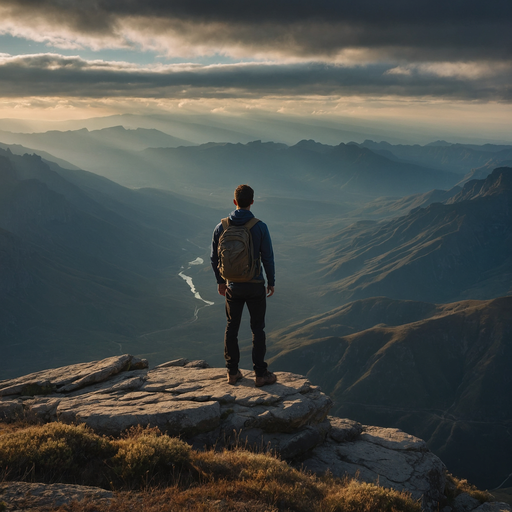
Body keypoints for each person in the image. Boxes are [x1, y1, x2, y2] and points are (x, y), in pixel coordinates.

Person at [211, 184, 277, 387]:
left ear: (234, 201)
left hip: (232, 286)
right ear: (252, 202)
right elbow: (267, 257)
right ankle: (260, 374)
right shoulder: (259, 226)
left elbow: (214, 258)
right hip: (255, 284)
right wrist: (271, 282)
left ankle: (232, 372)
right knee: (257, 329)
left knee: (232, 327)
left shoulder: (221, 226)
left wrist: (221, 281)